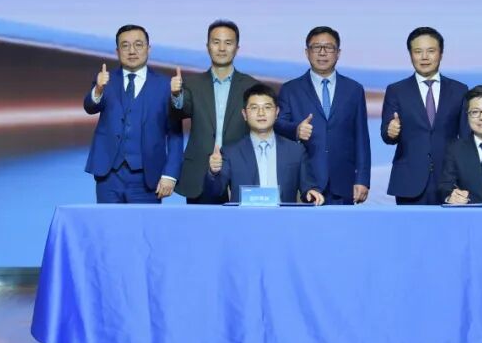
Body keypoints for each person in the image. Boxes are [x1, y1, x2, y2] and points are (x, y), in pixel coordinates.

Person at [83, 24, 183, 204]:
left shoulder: (165, 86)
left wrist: (170, 175)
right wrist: (98, 89)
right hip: (109, 176)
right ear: (117, 51)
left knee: (144, 223)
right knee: (108, 222)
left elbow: (175, 134)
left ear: (148, 49)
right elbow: (90, 107)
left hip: (148, 178)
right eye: (125, 45)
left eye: (138, 45)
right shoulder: (105, 81)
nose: (132, 51)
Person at [275, 26, 371, 205]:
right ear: (307, 52)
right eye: (316, 47)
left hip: (344, 183)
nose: (322, 52)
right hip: (305, 182)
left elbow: (362, 138)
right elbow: (278, 124)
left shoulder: (354, 90)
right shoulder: (290, 89)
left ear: (338, 53)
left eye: (328, 47)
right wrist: (296, 130)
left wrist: (363, 179)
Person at [170, 20, 259, 204]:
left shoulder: (251, 86)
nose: (222, 48)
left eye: (228, 43)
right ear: (208, 47)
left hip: (239, 170)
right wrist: (176, 94)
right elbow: (180, 113)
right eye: (216, 42)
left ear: (237, 48)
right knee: (200, 222)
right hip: (199, 173)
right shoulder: (192, 84)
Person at [380, 27, 469, 205]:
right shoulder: (396, 90)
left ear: (441, 54)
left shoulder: (459, 90)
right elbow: (386, 135)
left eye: (431, 51)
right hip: (409, 180)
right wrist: (391, 132)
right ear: (410, 55)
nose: (424, 57)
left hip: (450, 179)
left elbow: (466, 139)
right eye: (418, 51)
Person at [205, 84, 324, 205]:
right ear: (244, 114)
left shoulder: (296, 151)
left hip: (283, 216)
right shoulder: (231, 152)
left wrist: (311, 192)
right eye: (254, 108)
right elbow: (215, 192)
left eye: (267, 107)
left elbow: (308, 187)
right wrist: (213, 172)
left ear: (277, 112)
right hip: (244, 216)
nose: (261, 113)